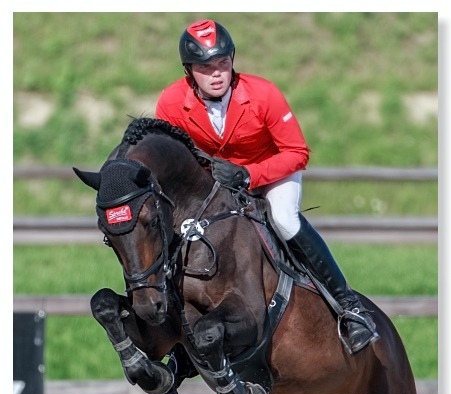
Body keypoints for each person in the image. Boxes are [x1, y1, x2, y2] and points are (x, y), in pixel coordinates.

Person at [155, 19, 379, 355]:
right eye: (205, 67)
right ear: (189, 71)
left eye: (223, 64)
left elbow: (297, 153)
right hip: (215, 186)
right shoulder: (171, 103)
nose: (217, 74)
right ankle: (171, 337)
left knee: (285, 219)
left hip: (271, 174)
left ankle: (350, 309)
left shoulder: (263, 93)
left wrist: (248, 176)